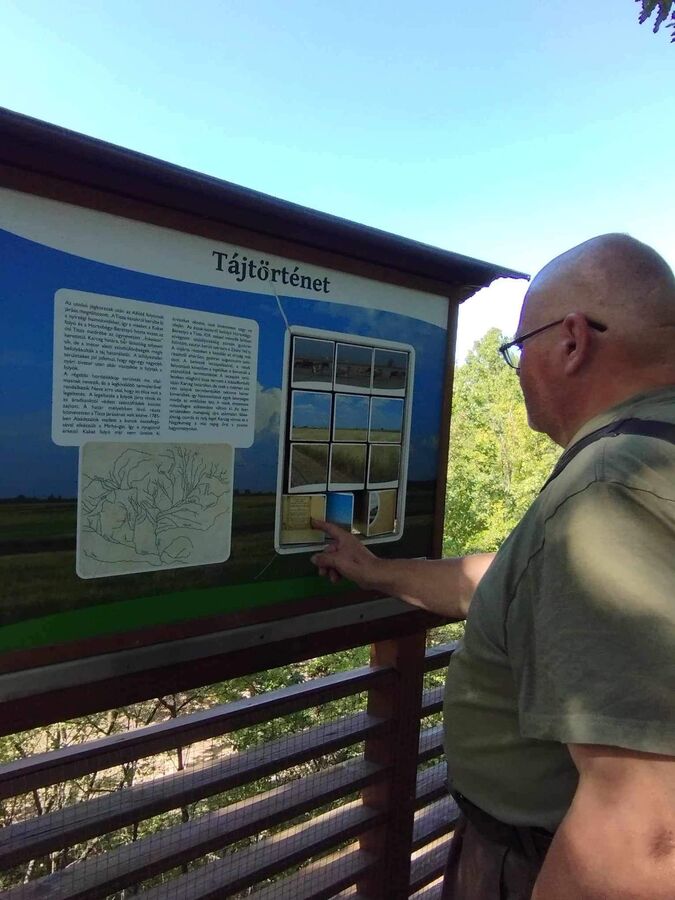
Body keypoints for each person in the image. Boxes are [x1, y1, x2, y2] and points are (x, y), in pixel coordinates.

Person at [310, 234, 675, 899]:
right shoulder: (650, 455)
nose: (518, 369)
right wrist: (381, 573)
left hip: (539, 860)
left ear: (571, 342)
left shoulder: (608, 492)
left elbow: (646, 833)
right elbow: (524, 586)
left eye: (519, 348)